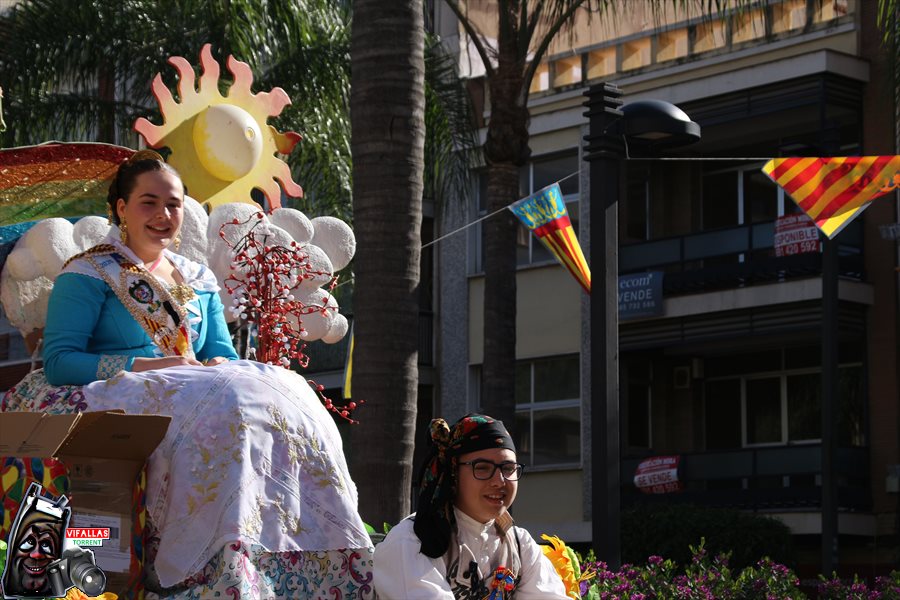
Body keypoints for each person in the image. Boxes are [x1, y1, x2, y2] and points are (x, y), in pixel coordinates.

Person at [1, 150, 374, 599]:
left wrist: (218, 363)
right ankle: (208, 560)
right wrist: (148, 365)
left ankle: (299, 549)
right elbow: (61, 364)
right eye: (148, 202)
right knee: (226, 403)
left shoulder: (197, 279)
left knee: (281, 386)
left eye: (173, 204)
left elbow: (219, 354)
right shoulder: (87, 273)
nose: (163, 215)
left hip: (192, 387)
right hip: (102, 392)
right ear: (121, 208)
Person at [373, 413, 569, 599]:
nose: (499, 481)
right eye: (482, 468)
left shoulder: (520, 545)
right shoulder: (413, 541)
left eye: (508, 469)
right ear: (453, 473)